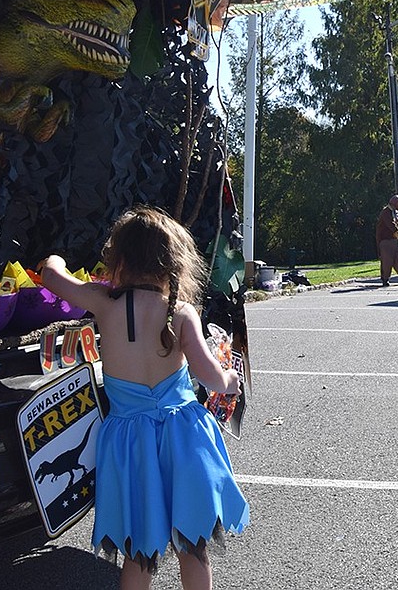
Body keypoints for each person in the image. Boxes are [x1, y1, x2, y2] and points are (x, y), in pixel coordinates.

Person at [40, 206, 249, 590]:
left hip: (129, 443)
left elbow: (52, 277)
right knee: (193, 543)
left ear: (119, 258)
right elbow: (210, 376)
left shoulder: (104, 301)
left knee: (140, 549)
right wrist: (230, 380)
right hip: (184, 439)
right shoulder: (179, 312)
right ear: (173, 263)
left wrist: (55, 257)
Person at [375, 194, 398, 286]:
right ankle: (385, 279)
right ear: (395, 204)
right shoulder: (386, 212)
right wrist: (397, 231)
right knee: (387, 260)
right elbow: (390, 223)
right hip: (385, 240)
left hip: (395, 240)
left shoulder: (395, 212)